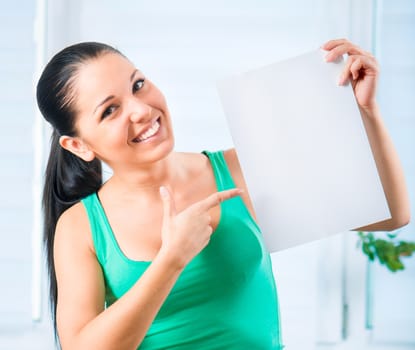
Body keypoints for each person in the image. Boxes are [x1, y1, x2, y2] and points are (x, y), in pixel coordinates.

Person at [36, 38, 410, 349]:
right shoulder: (81, 227)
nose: (141, 109)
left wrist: (367, 112)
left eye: (137, 85)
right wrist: (171, 260)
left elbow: (392, 214)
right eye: (110, 110)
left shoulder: (241, 171)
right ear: (78, 145)